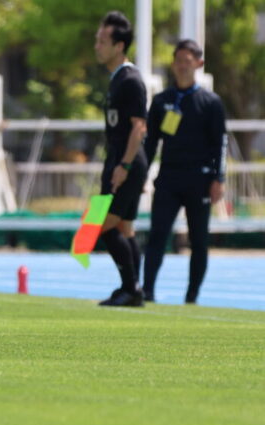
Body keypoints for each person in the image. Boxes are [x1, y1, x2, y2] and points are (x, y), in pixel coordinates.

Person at [142, 39, 227, 305]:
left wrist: (218, 179)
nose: (182, 66)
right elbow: (150, 141)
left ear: (199, 64)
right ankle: (147, 292)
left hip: (199, 180)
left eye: (187, 62)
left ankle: (192, 296)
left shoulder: (211, 103)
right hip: (168, 178)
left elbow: (220, 143)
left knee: (198, 240)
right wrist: (141, 173)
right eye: (178, 60)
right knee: (157, 235)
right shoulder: (161, 101)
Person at [94, 11, 148, 307]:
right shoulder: (116, 79)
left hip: (125, 162)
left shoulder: (131, 79)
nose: (97, 46)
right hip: (117, 159)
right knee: (125, 228)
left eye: (102, 41)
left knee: (101, 225)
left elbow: (139, 127)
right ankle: (132, 288)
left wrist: (124, 166)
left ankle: (132, 289)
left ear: (119, 46)